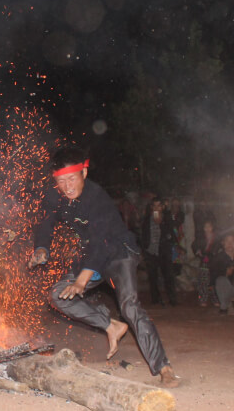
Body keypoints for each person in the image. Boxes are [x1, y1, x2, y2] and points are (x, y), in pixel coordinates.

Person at [30, 147, 179, 387]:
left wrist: (81, 281)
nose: (66, 186)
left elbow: (101, 242)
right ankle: (111, 325)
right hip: (90, 255)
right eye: (60, 181)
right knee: (58, 295)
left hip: (119, 253)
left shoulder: (97, 197)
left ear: (84, 172)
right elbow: (45, 222)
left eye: (71, 179)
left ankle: (163, 367)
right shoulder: (55, 196)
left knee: (130, 307)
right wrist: (41, 249)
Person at [141, 197, 176, 306]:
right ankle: (155, 299)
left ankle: (172, 299)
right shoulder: (147, 219)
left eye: (158, 206)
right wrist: (144, 250)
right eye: (154, 206)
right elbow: (144, 235)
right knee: (153, 277)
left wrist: (161, 223)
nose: (156, 208)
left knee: (168, 276)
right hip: (151, 251)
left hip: (164, 251)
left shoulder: (167, 218)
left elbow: (171, 234)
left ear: (162, 207)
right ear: (151, 207)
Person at [191, 220, 221, 306]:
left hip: (214, 262)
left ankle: (215, 299)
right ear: (203, 228)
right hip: (204, 261)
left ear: (212, 228)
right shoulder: (200, 237)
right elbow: (194, 246)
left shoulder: (216, 238)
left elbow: (218, 248)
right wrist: (199, 252)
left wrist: (213, 254)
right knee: (203, 280)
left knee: (213, 281)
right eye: (206, 227)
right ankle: (202, 299)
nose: (207, 229)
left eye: (209, 227)